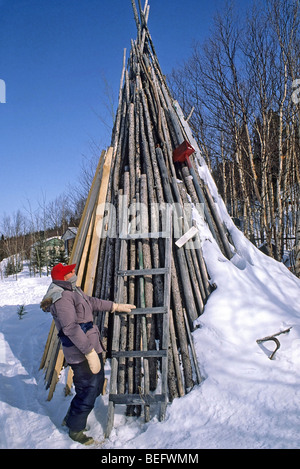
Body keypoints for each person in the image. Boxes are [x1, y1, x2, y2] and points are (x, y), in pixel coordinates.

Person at [40, 263, 136, 445]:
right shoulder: (61, 299)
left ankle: (72, 417)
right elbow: (70, 328)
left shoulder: (73, 291)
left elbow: (91, 302)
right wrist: (89, 352)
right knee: (88, 389)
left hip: (91, 346)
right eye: (71, 271)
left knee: (95, 384)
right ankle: (75, 429)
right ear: (64, 277)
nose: (74, 272)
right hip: (81, 353)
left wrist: (114, 306)